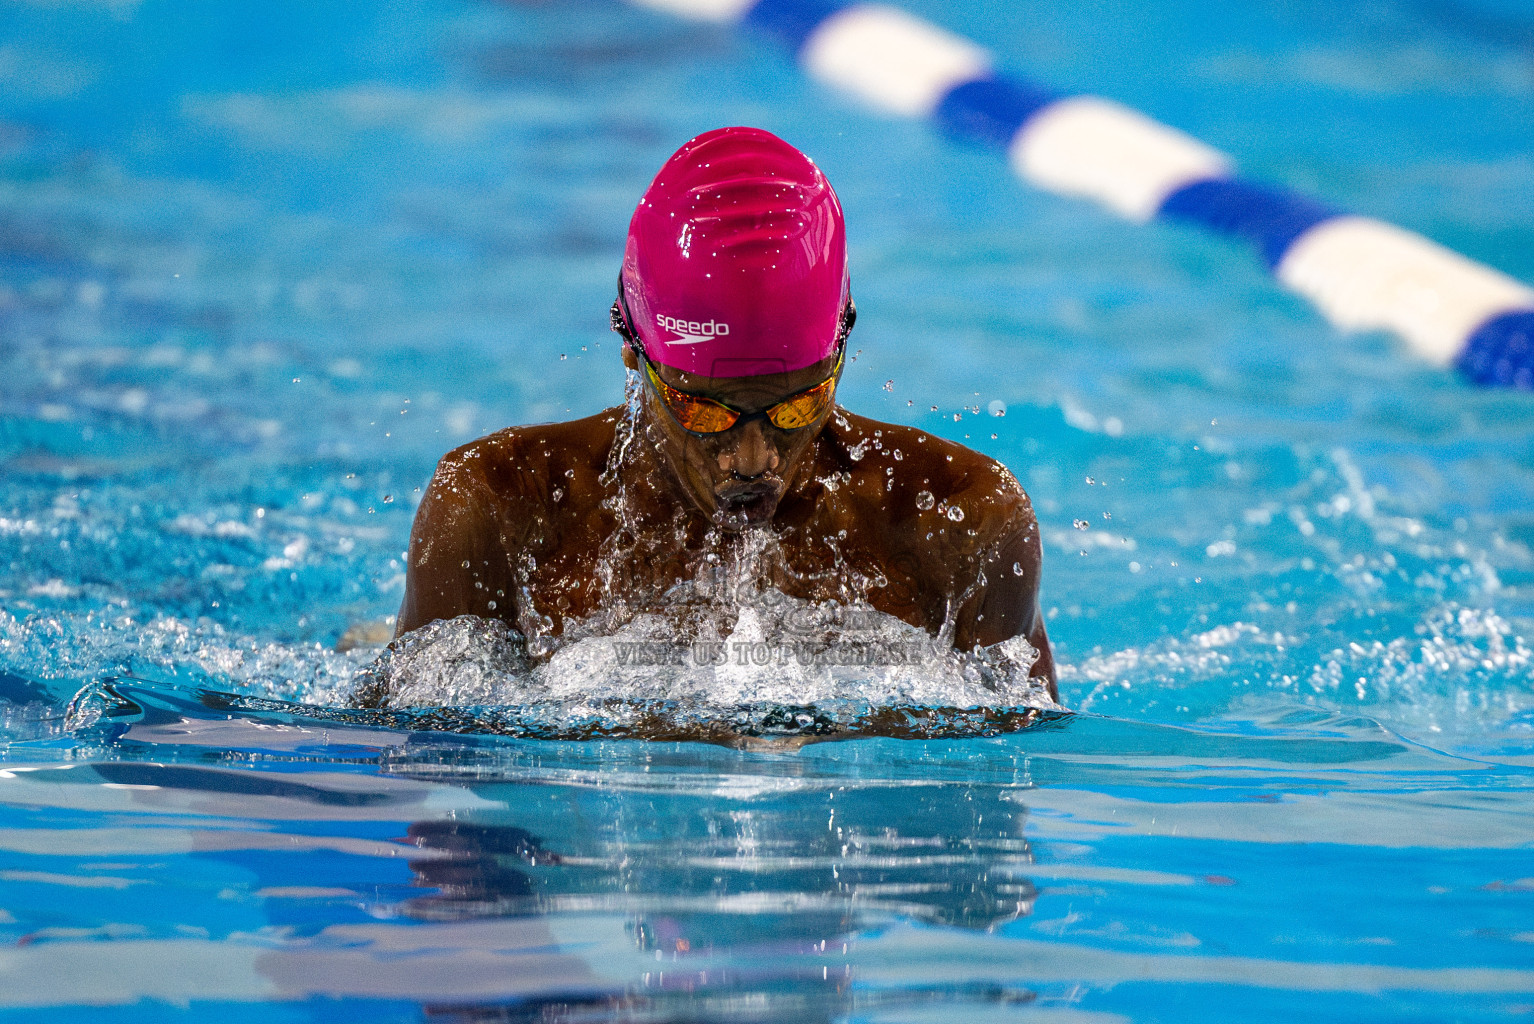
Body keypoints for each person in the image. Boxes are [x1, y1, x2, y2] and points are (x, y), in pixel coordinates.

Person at [394, 126, 1055, 698]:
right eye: (703, 410)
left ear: (843, 353)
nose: (753, 460)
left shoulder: (961, 525)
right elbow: (429, 768)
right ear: (632, 351)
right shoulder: (503, 510)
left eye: (798, 406)